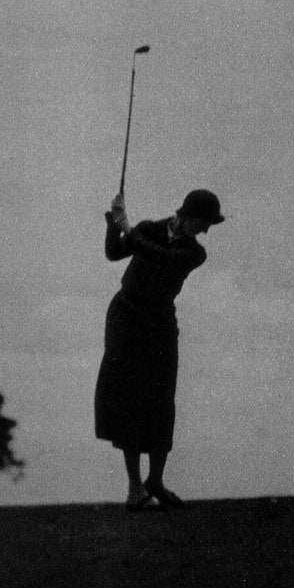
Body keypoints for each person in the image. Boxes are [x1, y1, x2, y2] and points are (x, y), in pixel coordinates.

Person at [94, 187, 225, 510]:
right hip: (125, 315)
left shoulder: (195, 252)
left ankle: (155, 479)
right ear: (189, 216)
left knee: (160, 398)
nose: (207, 230)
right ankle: (135, 487)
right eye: (205, 222)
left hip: (159, 321)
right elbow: (114, 253)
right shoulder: (150, 228)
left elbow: (161, 256)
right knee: (128, 395)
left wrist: (128, 228)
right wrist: (114, 221)